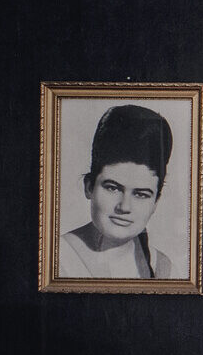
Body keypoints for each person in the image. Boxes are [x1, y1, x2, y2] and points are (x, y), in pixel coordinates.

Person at [59, 104, 179, 280]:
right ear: (89, 187)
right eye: (112, 188)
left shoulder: (164, 270)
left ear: (156, 202)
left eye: (141, 194)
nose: (124, 207)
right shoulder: (54, 257)